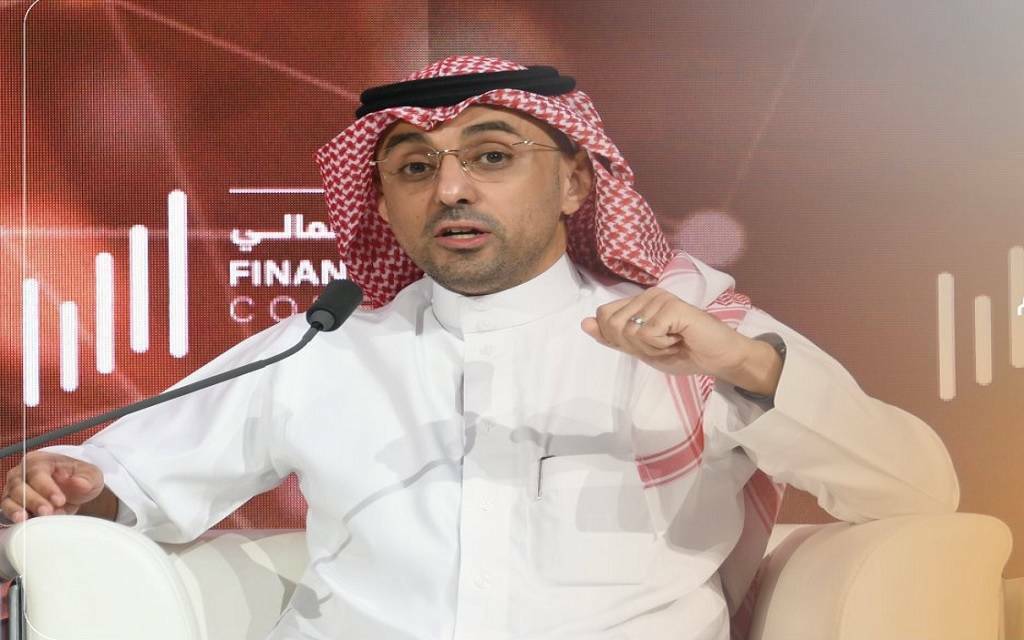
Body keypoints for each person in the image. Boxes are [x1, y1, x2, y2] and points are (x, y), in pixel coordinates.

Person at [1, 56, 958, 640]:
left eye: (493, 156)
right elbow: (133, 481)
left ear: (576, 182)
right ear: (383, 206)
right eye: (416, 168)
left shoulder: (692, 328)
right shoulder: (327, 345)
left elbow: (913, 489)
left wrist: (742, 365)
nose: (452, 189)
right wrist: (79, 486)